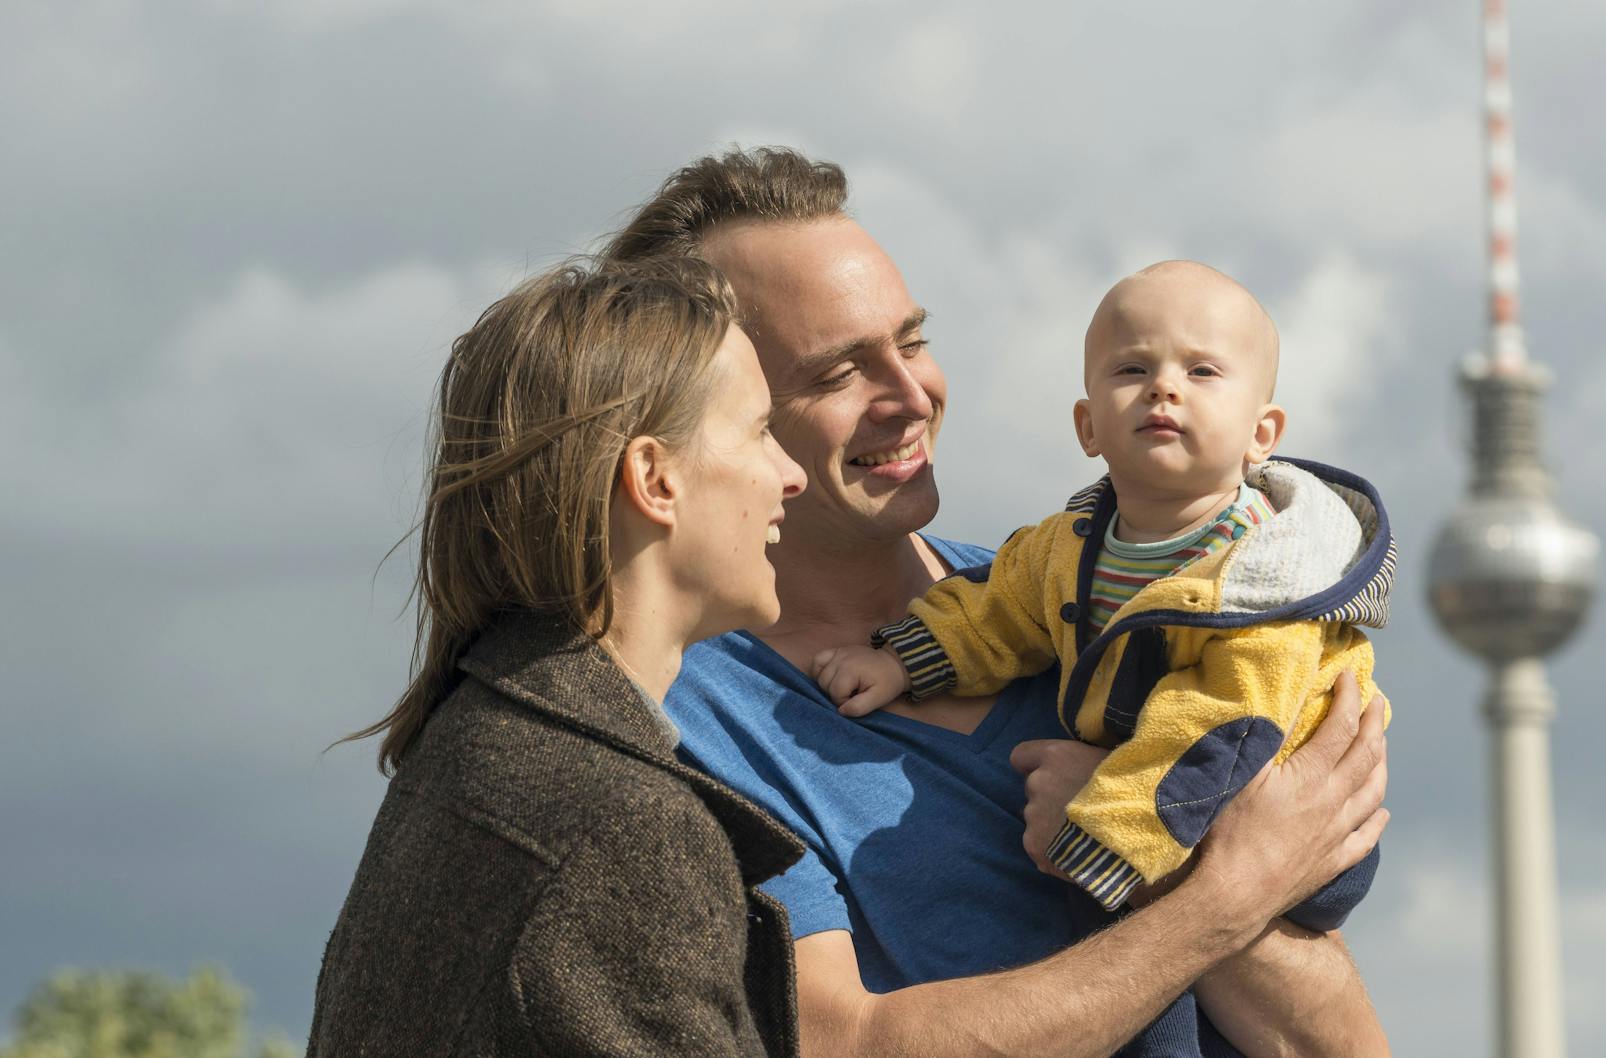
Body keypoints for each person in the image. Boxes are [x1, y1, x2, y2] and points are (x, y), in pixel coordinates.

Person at [602, 148, 1391, 1058]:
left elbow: (1338, 1042)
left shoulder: (1088, 593)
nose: (909, 397)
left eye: (912, 342)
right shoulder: (685, 719)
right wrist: (1219, 890)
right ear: (713, 417)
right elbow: (847, 1047)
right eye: (835, 373)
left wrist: (1168, 865)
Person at [309, 256, 810, 1057]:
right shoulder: (624, 830)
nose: (792, 475)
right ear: (654, 478)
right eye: (761, 430)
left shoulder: (477, 749)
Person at [812, 260, 1392, 918]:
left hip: (1284, 812)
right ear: (1088, 426)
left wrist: (1108, 838)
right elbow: (995, 613)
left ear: (1261, 435)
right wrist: (898, 661)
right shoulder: (1070, 546)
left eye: (1201, 371)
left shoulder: (1261, 584)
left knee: (1164, 999)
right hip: (1148, 799)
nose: (1163, 389)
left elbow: (1220, 723)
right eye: (1132, 369)